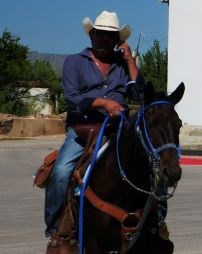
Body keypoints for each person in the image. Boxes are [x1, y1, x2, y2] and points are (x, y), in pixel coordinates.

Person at [44, 10, 145, 237]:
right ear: (92, 36)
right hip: (85, 131)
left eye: (111, 36)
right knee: (60, 173)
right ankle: (54, 227)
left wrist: (130, 60)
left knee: (152, 170)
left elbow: (139, 93)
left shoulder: (122, 64)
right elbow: (72, 97)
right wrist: (102, 103)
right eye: (101, 35)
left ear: (118, 41)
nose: (105, 40)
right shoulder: (74, 62)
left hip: (119, 130)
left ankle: (156, 222)